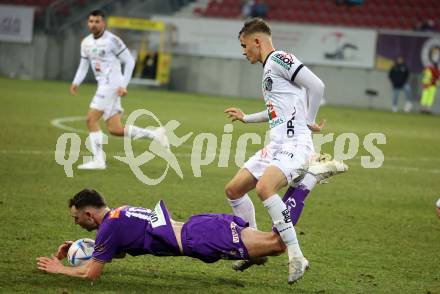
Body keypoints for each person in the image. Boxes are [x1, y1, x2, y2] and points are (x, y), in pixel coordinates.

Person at [224, 18, 346, 283]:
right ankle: (254, 248)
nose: (244, 52)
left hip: (294, 145)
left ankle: (296, 255)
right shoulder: (269, 68)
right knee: (234, 190)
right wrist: (246, 118)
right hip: (276, 146)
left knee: (264, 189)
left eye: (245, 46)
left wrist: (309, 119)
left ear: (258, 41)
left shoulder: (279, 59)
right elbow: (276, 113)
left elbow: (317, 86)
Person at [36, 189, 290, 281]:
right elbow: (119, 250)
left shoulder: (109, 228)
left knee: (278, 244)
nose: (76, 223)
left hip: (202, 239)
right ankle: (304, 184)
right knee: (276, 243)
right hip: (202, 227)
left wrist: (60, 269)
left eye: (76, 218)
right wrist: (77, 249)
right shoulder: (121, 212)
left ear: (90, 215)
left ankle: (305, 183)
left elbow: (91, 273)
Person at [70, 10, 169, 170]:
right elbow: (83, 65)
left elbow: (129, 61)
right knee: (115, 129)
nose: (93, 24)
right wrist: (76, 82)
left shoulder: (112, 41)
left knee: (90, 120)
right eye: (91, 21)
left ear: (104, 23)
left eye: (97, 21)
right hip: (103, 84)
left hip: (111, 84)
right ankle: (155, 134)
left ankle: (98, 160)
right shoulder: (86, 42)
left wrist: (124, 84)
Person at [420, 48, 440, 114]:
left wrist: (437, 83)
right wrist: (425, 83)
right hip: (427, 84)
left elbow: (437, 78)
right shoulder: (428, 68)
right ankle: (423, 108)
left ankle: (428, 109)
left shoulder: (437, 70)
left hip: (433, 84)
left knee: (430, 96)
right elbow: (426, 76)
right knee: (425, 95)